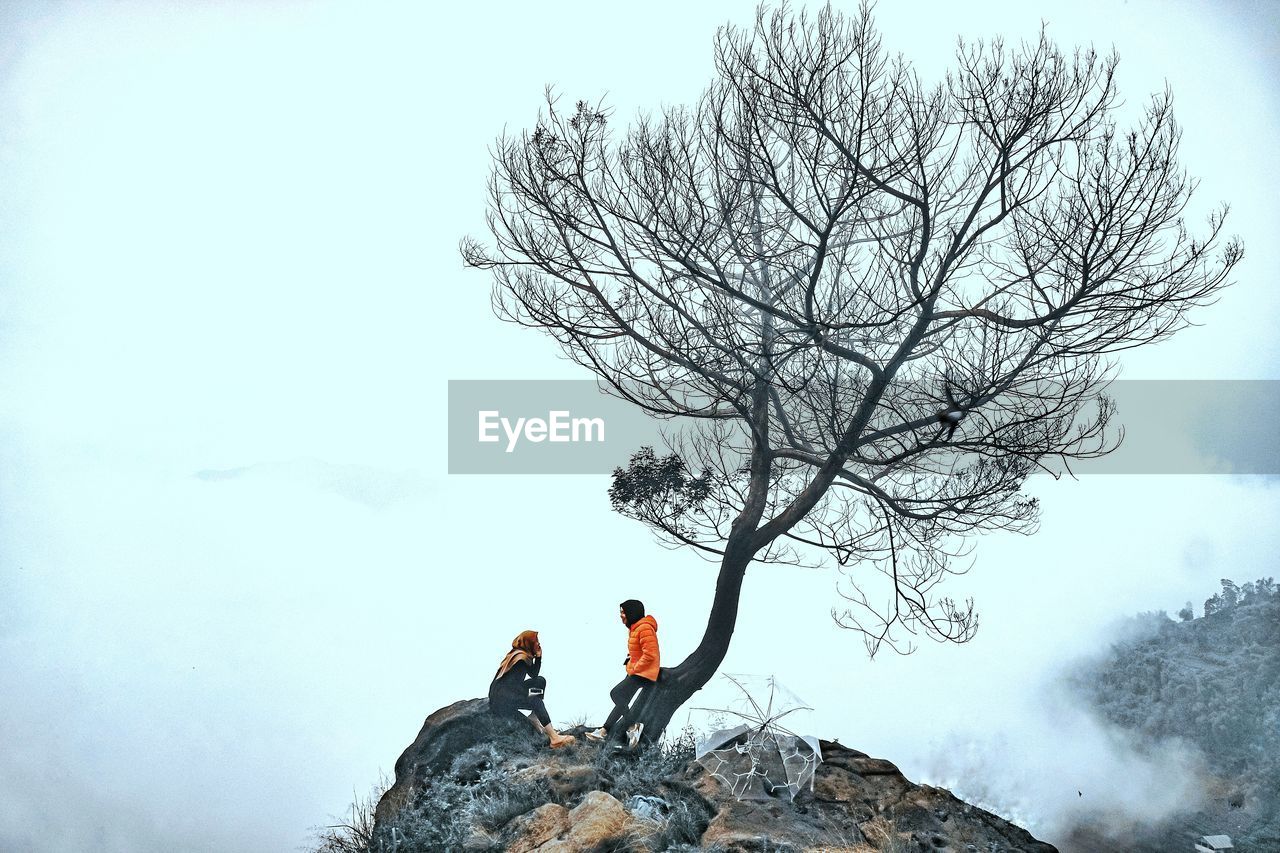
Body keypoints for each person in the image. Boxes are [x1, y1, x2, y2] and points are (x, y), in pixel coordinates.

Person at [585, 599, 659, 748]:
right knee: (621, 701)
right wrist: (629, 660)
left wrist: (634, 668)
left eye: (623, 612)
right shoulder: (635, 628)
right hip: (638, 671)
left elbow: (651, 654)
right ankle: (604, 731)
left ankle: (633, 727)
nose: (621, 615)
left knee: (616, 694)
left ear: (632, 612)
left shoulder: (645, 628)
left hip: (645, 674)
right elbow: (636, 649)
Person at [488, 630, 576, 749]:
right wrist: (531, 696)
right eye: (536, 642)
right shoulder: (520, 659)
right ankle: (554, 738)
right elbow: (511, 686)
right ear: (528, 643)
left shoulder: (521, 655)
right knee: (535, 700)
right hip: (502, 698)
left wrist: (538, 657)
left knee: (540, 681)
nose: (538, 644)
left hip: (506, 692)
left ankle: (534, 717)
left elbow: (533, 674)